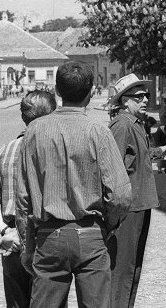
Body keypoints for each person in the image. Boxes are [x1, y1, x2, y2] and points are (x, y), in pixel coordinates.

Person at [15, 61, 132, 308]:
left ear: (57, 91)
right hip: (91, 234)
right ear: (90, 93)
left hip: (49, 237)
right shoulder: (98, 132)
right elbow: (120, 195)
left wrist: (28, 245)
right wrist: (107, 226)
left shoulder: (34, 131)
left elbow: (23, 197)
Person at [0, 90, 56, 308]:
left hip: (13, 242)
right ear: (52, 115)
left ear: (24, 116)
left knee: (16, 303)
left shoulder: (5, 151)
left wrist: (6, 231)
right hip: (48, 237)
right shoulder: (55, 148)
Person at [107, 73, 166, 308]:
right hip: (128, 207)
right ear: (125, 100)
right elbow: (112, 166)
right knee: (123, 270)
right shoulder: (122, 125)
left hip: (141, 202)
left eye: (147, 95)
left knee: (133, 267)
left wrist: (156, 153)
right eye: (139, 96)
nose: (146, 99)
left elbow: (134, 157)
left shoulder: (135, 123)